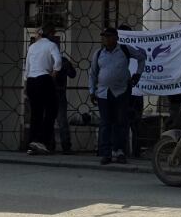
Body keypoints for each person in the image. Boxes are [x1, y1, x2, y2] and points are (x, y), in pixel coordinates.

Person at [88, 26, 145, 164]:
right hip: (103, 93)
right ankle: (106, 153)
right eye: (104, 37)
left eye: (109, 36)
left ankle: (119, 151)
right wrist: (91, 91)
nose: (106, 39)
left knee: (121, 122)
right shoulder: (99, 53)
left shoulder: (124, 50)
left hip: (122, 91)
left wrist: (137, 74)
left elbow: (141, 57)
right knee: (106, 123)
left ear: (116, 38)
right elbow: (93, 73)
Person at [23, 24, 63, 154]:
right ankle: (43, 141)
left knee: (36, 113)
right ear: (51, 34)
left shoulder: (32, 47)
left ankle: (32, 142)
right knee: (51, 111)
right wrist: (54, 73)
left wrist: (26, 84)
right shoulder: (51, 45)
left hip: (31, 81)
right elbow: (58, 61)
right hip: (44, 79)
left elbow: (27, 67)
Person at [117, 23, 144, 158]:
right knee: (132, 124)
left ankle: (127, 151)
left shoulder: (121, 49)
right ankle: (132, 152)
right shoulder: (124, 49)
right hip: (130, 91)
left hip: (128, 91)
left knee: (126, 123)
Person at [51, 34, 78, 154]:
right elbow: (73, 74)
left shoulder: (62, 61)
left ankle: (59, 146)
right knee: (58, 121)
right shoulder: (60, 60)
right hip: (55, 93)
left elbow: (73, 74)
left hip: (56, 94)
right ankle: (61, 146)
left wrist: (68, 66)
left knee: (57, 121)